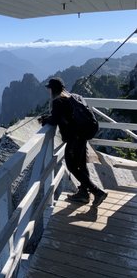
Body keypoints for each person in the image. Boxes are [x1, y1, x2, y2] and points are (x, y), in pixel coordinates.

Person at [39, 77, 107, 207]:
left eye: (49, 88)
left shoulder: (58, 101)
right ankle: (83, 194)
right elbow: (63, 116)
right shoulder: (73, 96)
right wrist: (50, 118)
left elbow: (54, 120)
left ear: (52, 89)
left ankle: (97, 192)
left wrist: (45, 120)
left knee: (71, 166)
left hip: (74, 137)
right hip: (82, 135)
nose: (48, 91)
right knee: (81, 164)